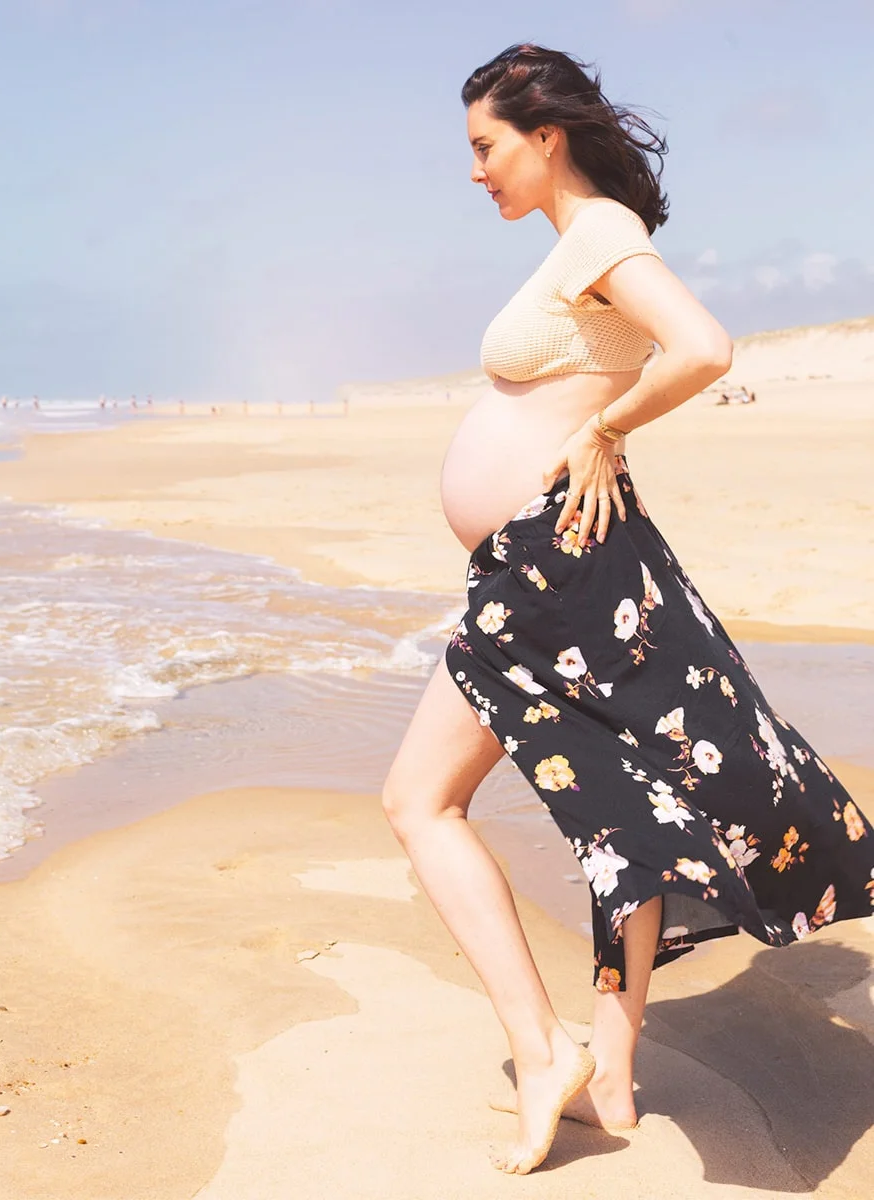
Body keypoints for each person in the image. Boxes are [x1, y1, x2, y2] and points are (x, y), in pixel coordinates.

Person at [381, 42, 874, 1177]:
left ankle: (542, 1049)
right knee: (627, 815)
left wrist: (603, 431)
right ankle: (603, 1069)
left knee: (420, 801)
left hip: (552, 572)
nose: (475, 172)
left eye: (485, 146)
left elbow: (703, 346)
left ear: (544, 135)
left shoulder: (598, 232)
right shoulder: (575, 242)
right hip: (546, 569)